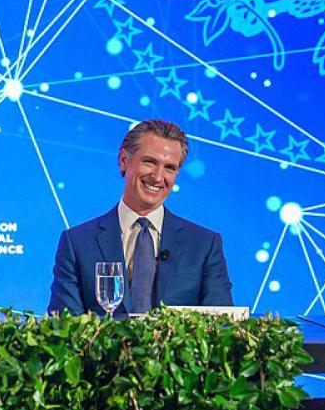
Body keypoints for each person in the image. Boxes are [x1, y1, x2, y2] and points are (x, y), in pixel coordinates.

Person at [48, 119, 232, 315]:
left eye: (169, 168)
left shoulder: (204, 245)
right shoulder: (77, 243)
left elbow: (221, 328)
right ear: (124, 161)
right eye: (150, 162)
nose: (158, 177)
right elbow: (64, 328)